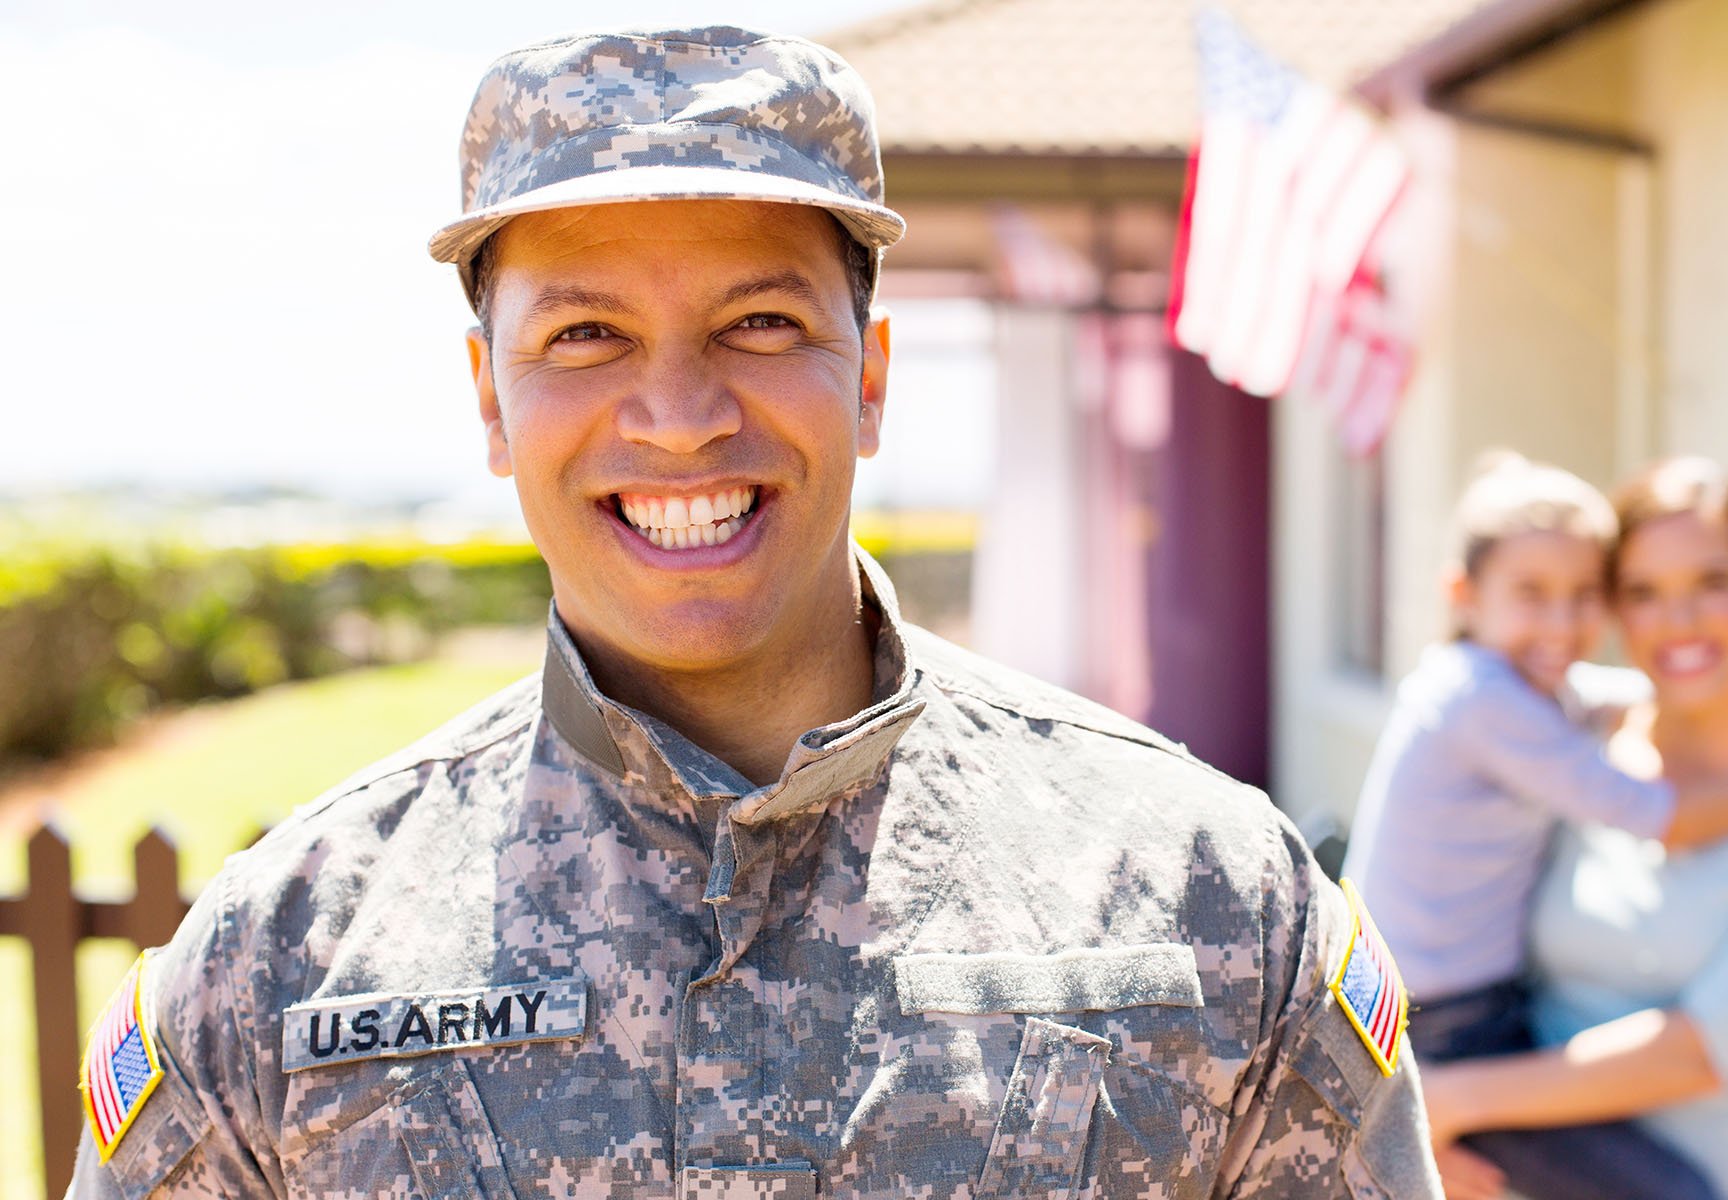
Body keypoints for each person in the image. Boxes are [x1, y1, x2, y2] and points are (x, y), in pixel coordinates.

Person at [65, 26, 1443, 1199]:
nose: (680, 419)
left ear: (873, 379)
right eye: (585, 335)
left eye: (763, 325)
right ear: (491, 399)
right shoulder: (278, 968)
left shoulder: (1214, 898)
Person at [1342, 453, 1728, 1200]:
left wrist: (1442, 1104)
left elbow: (1705, 1051)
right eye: (1642, 592)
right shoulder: (1575, 751)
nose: (1680, 619)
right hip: (1473, 1109)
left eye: (1712, 583)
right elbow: (1658, 758)